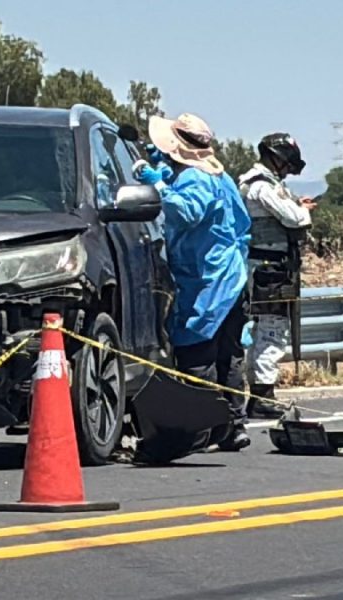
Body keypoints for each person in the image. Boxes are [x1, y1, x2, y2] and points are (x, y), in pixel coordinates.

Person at [134, 113, 252, 451]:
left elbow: (185, 213)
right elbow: (241, 224)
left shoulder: (195, 179)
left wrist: (157, 184)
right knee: (228, 355)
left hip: (205, 280)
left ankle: (202, 428)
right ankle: (232, 425)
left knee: (195, 350)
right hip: (230, 275)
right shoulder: (218, 175)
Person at [238, 134, 316, 418]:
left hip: (264, 269)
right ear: (278, 158)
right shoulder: (261, 186)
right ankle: (262, 396)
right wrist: (302, 210)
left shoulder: (259, 184)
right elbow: (294, 219)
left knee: (263, 330)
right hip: (269, 271)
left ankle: (259, 393)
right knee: (272, 331)